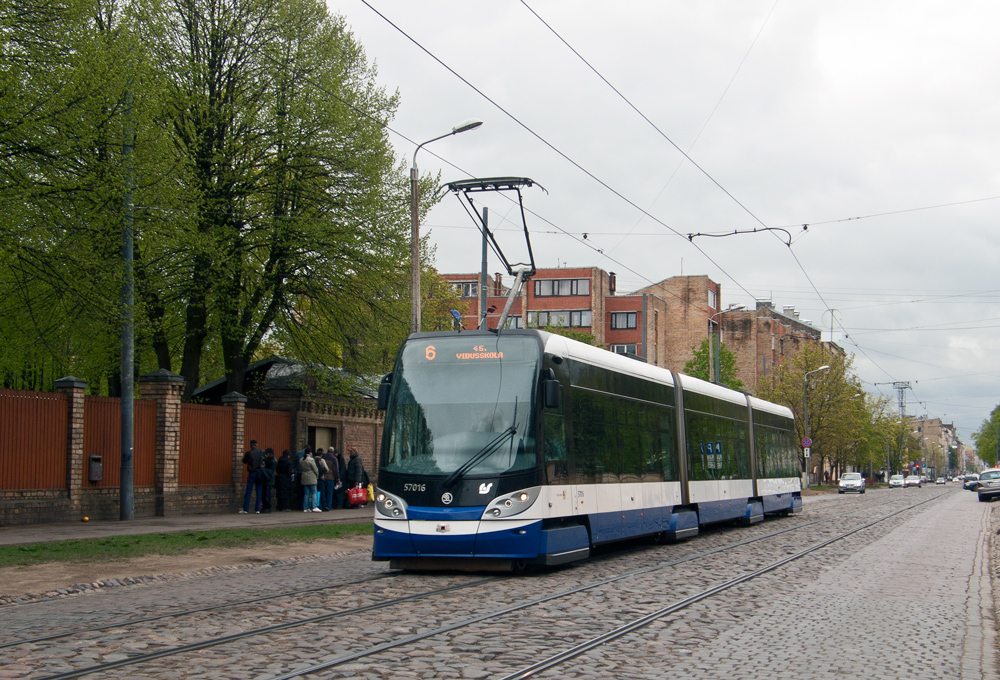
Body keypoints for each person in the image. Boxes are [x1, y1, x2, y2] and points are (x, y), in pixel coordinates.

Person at [240, 440, 265, 514]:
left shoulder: (249, 453)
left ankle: (246, 509)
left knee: (248, 491)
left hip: (252, 473)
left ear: (250, 445)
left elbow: (244, 461)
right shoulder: (261, 452)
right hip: (259, 473)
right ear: (256, 445)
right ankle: (257, 509)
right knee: (259, 491)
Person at [260, 448, 277, 513]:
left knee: (266, 494)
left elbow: (270, 471)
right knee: (265, 493)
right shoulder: (271, 459)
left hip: (268, 479)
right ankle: (266, 506)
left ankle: (267, 507)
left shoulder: (272, 461)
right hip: (268, 479)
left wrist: (262, 469)